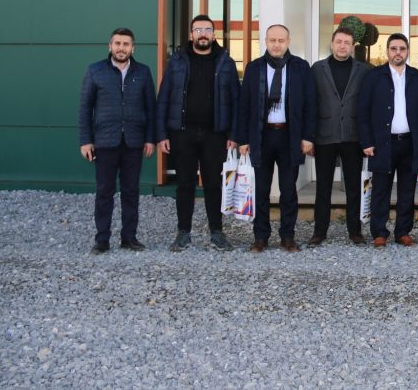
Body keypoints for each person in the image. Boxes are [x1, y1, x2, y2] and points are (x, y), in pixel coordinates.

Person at [156, 14, 240, 252]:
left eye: (208, 30)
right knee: (185, 184)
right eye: (198, 30)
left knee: (213, 183)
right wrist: (161, 134)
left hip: (215, 134)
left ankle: (217, 232)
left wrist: (234, 134)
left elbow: (236, 100)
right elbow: (164, 98)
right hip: (182, 133)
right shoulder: (177, 61)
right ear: (191, 34)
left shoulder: (225, 61)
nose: (203, 34)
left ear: (214, 34)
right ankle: (183, 232)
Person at [236, 24, 316, 253]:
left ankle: (287, 236)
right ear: (265, 41)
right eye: (272, 40)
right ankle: (260, 237)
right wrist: (243, 139)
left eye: (281, 40)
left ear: (288, 42)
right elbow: (244, 106)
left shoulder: (300, 67)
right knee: (261, 189)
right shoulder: (254, 68)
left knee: (288, 190)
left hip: (290, 136)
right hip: (262, 136)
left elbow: (310, 104)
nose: (277, 45)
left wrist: (308, 137)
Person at [78, 28, 156, 254]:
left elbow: (151, 108)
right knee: (104, 191)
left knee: (131, 191)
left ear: (133, 48)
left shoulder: (143, 72)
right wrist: (85, 140)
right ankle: (102, 239)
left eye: (126, 44)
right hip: (104, 141)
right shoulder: (95, 71)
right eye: (118, 43)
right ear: (110, 46)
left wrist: (150, 139)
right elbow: (85, 108)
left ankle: (129, 237)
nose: (122, 48)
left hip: (134, 141)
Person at [358, 33, 418, 247]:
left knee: (407, 190)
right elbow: (363, 112)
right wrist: (367, 142)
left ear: (407, 52)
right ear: (388, 51)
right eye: (394, 49)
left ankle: (403, 232)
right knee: (381, 189)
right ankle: (379, 232)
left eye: (402, 49)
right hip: (383, 143)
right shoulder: (374, 76)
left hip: (410, 143)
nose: (398, 53)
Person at [309, 26, 370, 246]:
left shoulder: (363, 70)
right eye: (339, 42)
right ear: (332, 44)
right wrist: (309, 136)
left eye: (347, 43)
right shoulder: (317, 69)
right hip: (324, 135)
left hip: (353, 136)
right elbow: (310, 103)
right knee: (323, 187)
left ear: (352, 47)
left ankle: (355, 231)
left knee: (353, 187)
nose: (342, 46)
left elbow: (367, 105)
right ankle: (319, 231)